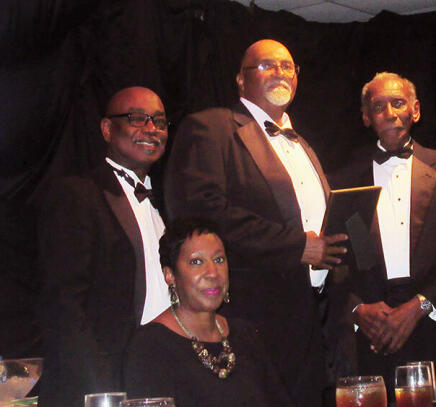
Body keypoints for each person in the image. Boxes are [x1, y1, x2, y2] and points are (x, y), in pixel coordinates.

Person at [164, 39, 348, 407]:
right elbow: (202, 211)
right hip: (253, 316)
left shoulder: (304, 146)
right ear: (240, 79)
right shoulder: (211, 127)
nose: (280, 72)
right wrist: (297, 246)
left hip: (316, 315)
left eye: (287, 66)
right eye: (266, 65)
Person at [330, 72, 436, 406]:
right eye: (378, 106)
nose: (390, 112)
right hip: (372, 334)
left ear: (415, 110)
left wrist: (421, 304)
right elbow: (335, 259)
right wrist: (357, 309)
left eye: (398, 102)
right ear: (365, 117)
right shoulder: (342, 181)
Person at [38, 86, 170, 407]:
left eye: (160, 121)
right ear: (107, 129)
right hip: (102, 382)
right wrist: (101, 390)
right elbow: (63, 307)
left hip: (158, 372)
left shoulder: (169, 202)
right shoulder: (79, 195)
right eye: (137, 118)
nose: (151, 129)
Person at [123, 218, 295, 407]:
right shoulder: (150, 347)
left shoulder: (245, 336)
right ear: (170, 274)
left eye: (219, 260)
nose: (213, 273)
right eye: (197, 261)